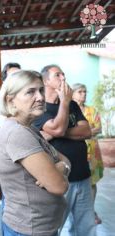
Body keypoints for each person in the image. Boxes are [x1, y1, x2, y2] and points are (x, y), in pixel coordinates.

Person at [0, 70, 70, 236]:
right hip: (30, 229)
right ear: (10, 100)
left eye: (41, 90)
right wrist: (59, 168)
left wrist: (61, 167)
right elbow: (59, 186)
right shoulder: (17, 134)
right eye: (30, 92)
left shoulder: (29, 129)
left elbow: (64, 159)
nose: (40, 97)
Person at [33, 65, 96, 236]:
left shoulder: (73, 105)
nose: (63, 77)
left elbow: (86, 131)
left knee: (86, 228)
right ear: (45, 81)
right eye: (57, 75)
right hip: (60, 179)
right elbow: (58, 128)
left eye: (63, 74)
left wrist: (53, 133)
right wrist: (58, 129)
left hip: (83, 176)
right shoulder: (40, 108)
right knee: (55, 228)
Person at [72, 82, 104, 225]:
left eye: (85, 91)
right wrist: (87, 130)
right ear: (72, 94)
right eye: (80, 91)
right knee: (76, 183)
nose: (83, 94)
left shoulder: (92, 110)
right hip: (77, 151)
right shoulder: (70, 111)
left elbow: (99, 128)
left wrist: (84, 131)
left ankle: (91, 211)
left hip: (92, 151)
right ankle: (77, 212)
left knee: (92, 182)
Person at [0, 62, 21, 132]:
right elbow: (3, 129)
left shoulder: (26, 98)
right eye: (13, 76)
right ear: (4, 81)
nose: (17, 79)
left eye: (20, 76)